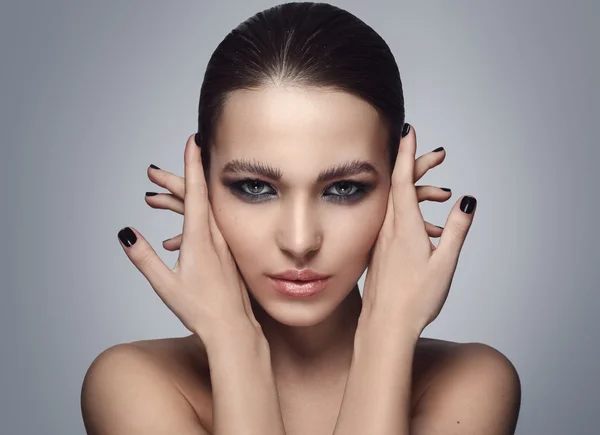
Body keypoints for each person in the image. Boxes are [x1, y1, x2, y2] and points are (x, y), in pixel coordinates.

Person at [81, 2, 521, 434]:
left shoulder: (472, 383)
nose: (299, 240)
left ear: (398, 190)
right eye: (255, 187)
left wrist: (388, 333)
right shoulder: (130, 384)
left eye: (344, 188)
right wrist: (233, 340)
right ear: (202, 187)